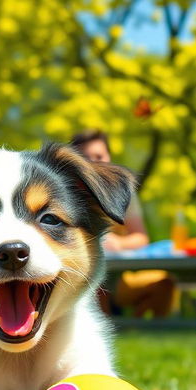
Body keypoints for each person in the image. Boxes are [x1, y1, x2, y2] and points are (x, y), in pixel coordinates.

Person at [70, 129, 176, 317]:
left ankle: (146, 331)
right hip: (84, 278)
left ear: (109, 156)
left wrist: (118, 243)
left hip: (123, 278)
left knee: (165, 284)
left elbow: (141, 238)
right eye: (85, 158)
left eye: (99, 156)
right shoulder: (66, 196)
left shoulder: (124, 194)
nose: (93, 162)